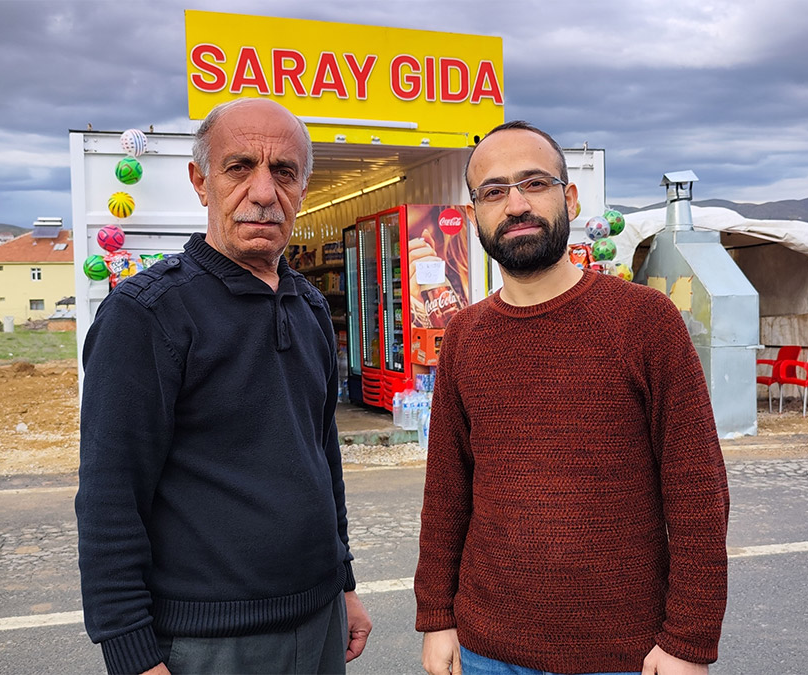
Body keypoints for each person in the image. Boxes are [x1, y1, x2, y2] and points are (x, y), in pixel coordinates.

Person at [414, 120, 729, 675]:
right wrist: (437, 616)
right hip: (485, 650)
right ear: (474, 215)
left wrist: (688, 639)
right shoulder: (464, 335)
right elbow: (446, 491)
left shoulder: (644, 320)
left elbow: (697, 490)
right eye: (494, 191)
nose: (516, 205)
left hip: (624, 655)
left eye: (535, 183)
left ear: (571, 198)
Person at [76, 98, 371, 675]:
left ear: (302, 189)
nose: (264, 192)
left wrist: (343, 582)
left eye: (284, 172)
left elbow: (322, 457)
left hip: (320, 621)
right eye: (239, 168)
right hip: (209, 643)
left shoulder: (310, 307)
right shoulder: (148, 314)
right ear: (200, 181)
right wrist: (130, 651)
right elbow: (110, 494)